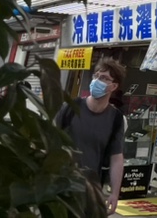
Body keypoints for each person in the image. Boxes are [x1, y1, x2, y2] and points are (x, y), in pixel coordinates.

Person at [55, 58, 126, 215]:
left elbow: (116, 157)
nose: (97, 81)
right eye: (96, 76)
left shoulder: (115, 119)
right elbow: (50, 141)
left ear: (114, 86)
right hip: (61, 187)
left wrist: (114, 193)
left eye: (104, 78)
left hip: (91, 191)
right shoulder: (70, 108)